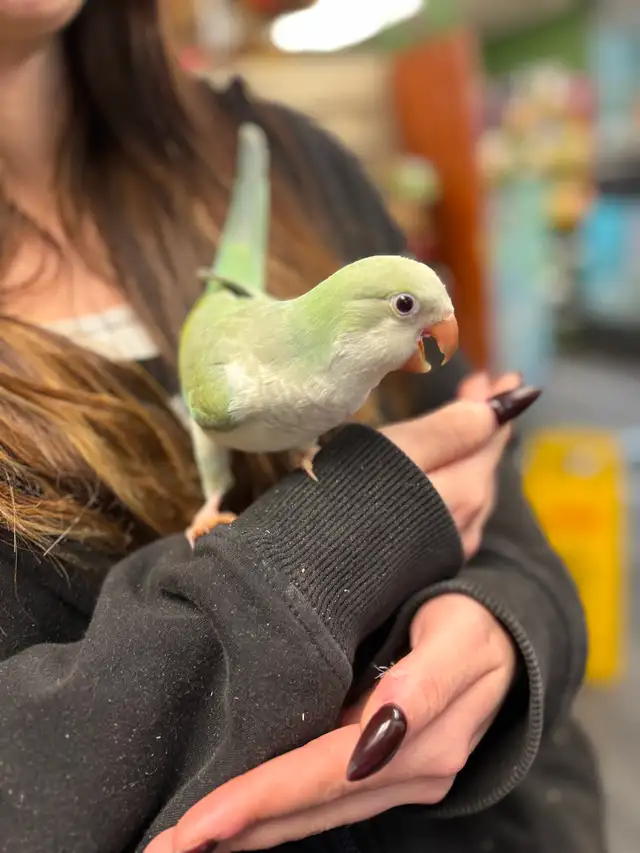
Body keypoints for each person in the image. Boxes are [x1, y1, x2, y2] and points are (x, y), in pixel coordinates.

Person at [0, 2, 605, 853]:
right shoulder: (239, 383)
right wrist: (327, 548)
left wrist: (501, 628)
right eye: (406, 310)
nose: (429, 331)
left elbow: (503, 519)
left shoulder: (299, 155)